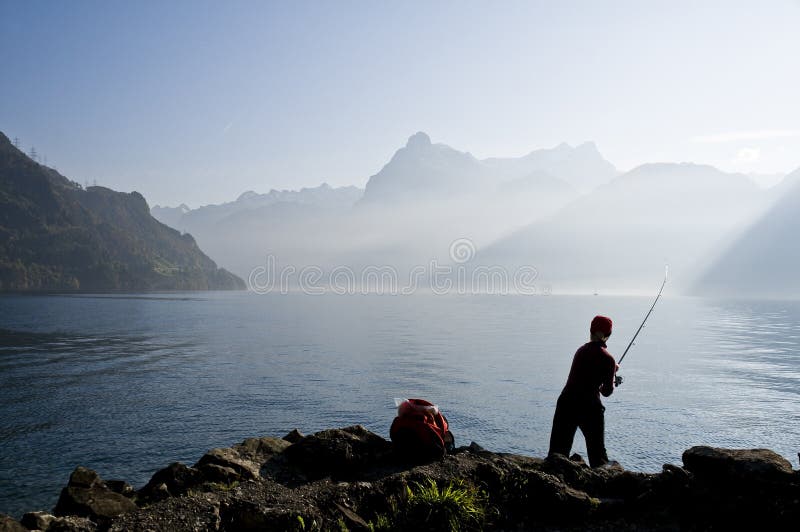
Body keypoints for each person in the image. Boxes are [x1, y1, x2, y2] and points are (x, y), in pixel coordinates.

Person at [547, 315, 621, 467]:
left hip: (566, 402)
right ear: (608, 335)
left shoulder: (580, 351)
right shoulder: (608, 359)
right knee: (598, 457)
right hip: (590, 407)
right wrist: (612, 374)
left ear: (591, 331)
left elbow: (583, 375)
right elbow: (606, 391)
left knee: (557, 453)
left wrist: (611, 370)